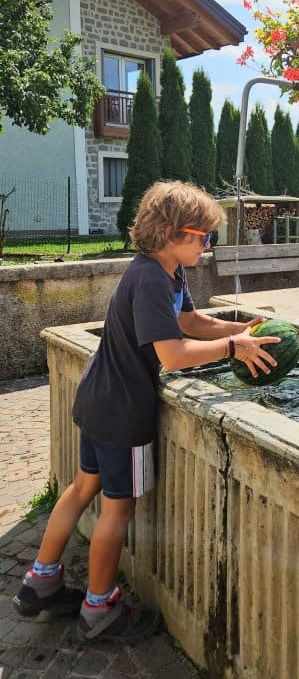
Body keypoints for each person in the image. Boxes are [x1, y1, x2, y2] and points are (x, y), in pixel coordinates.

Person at [13, 181, 280, 643]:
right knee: (118, 508)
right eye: (204, 237)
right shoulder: (152, 278)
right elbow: (173, 354)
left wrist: (242, 326)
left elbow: (191, 323)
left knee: (82, 488)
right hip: (123, 410)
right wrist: (234, 348)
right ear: (175, 233)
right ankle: (100, 609)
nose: (208, 246)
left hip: (98, 397)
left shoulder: (164, 272)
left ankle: (40, 581)